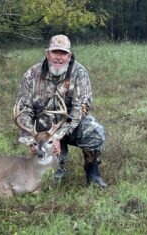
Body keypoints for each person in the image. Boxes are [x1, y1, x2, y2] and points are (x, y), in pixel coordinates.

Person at [15, 34, 107, 188]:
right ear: (47, 54)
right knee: (52, 182)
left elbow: (81, 108)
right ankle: (54, 171)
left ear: (69, 56)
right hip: (44, 131)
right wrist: (32, 138)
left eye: (63, 53)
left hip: (71, 127)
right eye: (54, 52)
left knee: (94, 131)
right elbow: (24, 110)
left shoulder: (79, 74)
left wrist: (59, 135)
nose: (59, 57)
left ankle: (93, 174)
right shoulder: (31, 75)